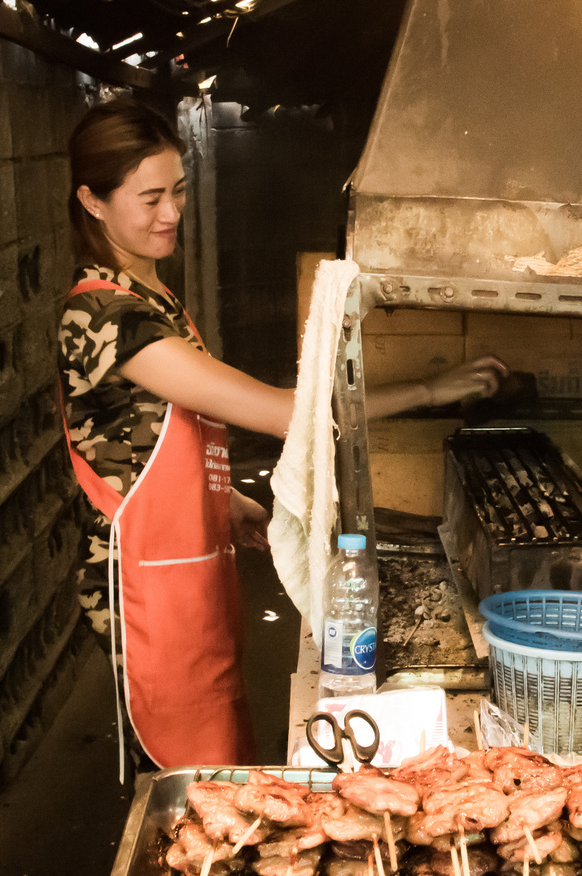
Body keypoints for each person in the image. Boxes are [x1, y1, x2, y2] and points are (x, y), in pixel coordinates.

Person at [59, 97, 506, 775]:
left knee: (225, 755)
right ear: (92, 202)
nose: (171, 213)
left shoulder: (152, 297)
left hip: (189, 559)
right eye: (149, 198)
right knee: (193, 781)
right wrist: (428, 391)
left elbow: (149, 432)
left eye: (178, 191)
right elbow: (278, 413)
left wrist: (223, 501)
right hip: (147, 586)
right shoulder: (104, 316)